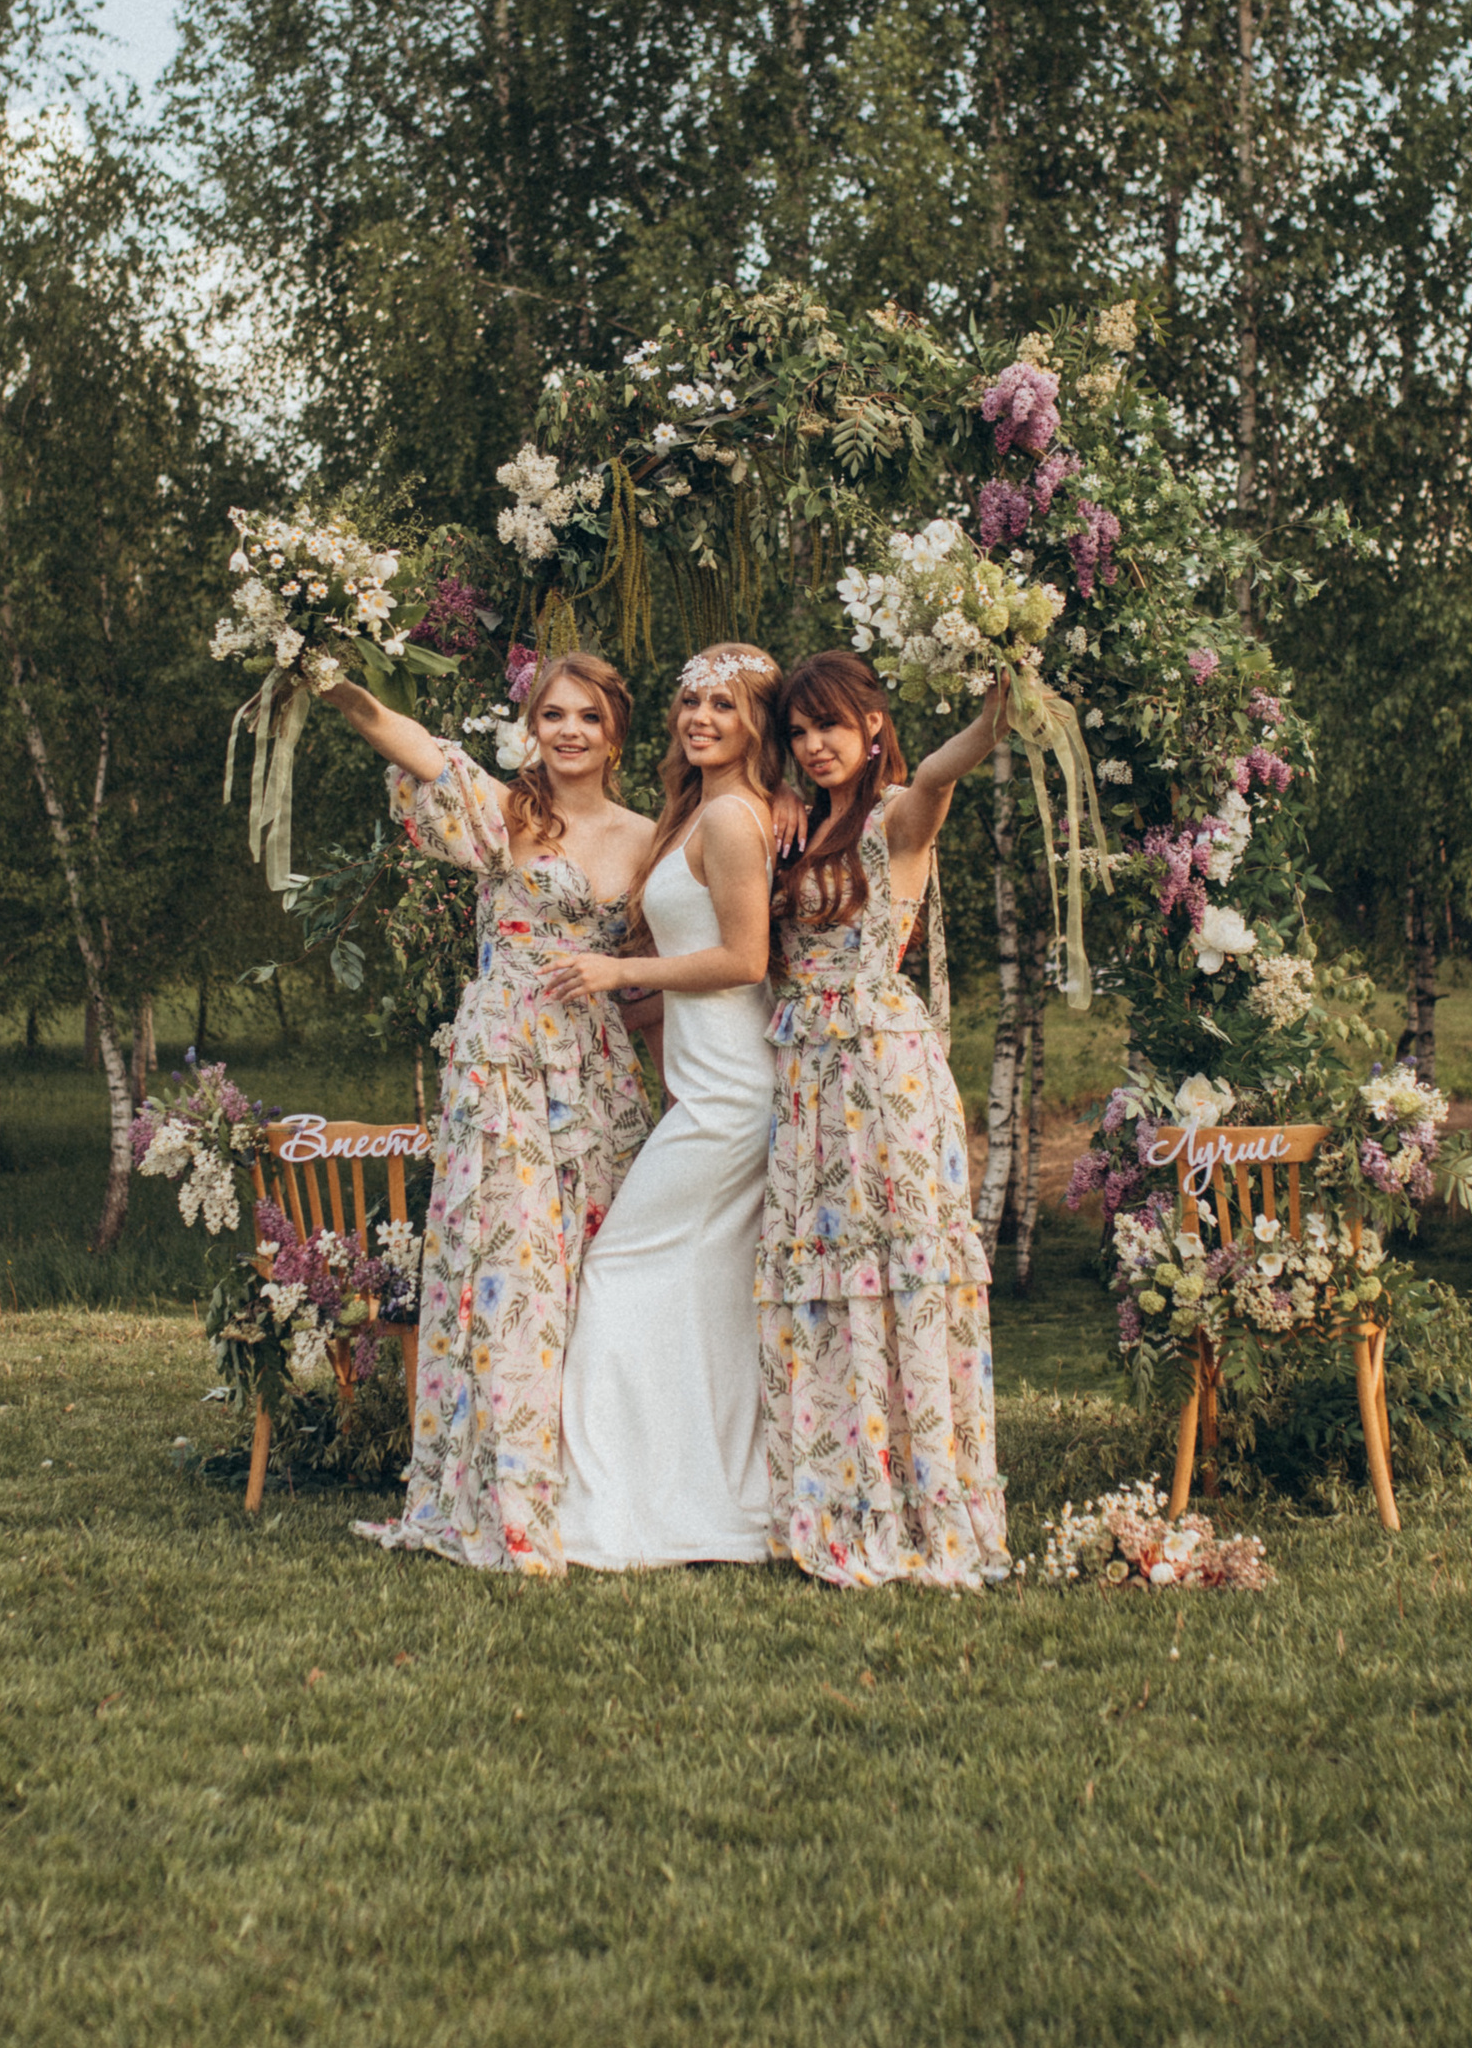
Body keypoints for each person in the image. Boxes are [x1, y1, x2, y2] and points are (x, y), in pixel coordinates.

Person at [321, 653, 655, 1573]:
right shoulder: (508, 813)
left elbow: (667, 968)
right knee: (512, 1268)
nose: (571, 731)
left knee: (597, 1265)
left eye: (589, 714)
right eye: (553, 714)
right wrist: (337, 687)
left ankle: (596, 1491)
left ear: (614, 729)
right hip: (504, 1063)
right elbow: (421, 749)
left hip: (598, 1072)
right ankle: (504, 1495)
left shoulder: (651, 836)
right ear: (533, 727)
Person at [757, 648, 1013, 1587]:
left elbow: (948, 768)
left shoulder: (897, 817)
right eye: (798, 731)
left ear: (873, 726)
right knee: (824, 1275)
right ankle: (839, 1484)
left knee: (896, 1265)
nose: (815, 745)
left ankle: (920, 1495)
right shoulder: (799, 826)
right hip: (807, 1076)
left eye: (832, 725)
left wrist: (1001, 700)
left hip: (880, 1065)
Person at [540, 642, 785, 1570]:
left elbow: (745, 959)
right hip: (705, 1083)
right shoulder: (699, 811)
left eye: (723, 706)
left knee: (616, 1271)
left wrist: (620, 969)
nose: (700, 720)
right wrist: (642, 1012)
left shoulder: (730, 818)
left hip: (731, 1095)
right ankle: (702, 1492)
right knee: (704, 1296)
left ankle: (621, 1496)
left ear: (755, 720)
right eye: (690, 704)